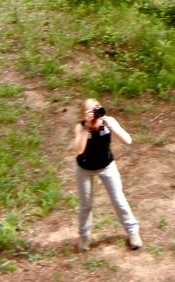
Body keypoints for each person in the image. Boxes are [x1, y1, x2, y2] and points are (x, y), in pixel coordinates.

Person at [73, 98, 142, 252]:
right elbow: (79, 149)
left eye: (97, 107)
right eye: (90, 110)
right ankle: (84, 237)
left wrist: (110, 124)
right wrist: (87, 128)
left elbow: (127, 140)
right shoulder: (80, 126)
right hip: (84, 169)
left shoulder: (108, 121)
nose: (95, 111)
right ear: (84, 113)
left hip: (106, 166)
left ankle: (133, 232)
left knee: (119, 200)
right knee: (85, 205)